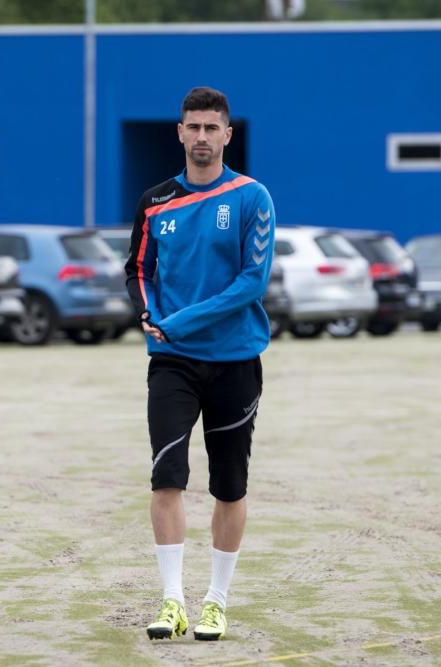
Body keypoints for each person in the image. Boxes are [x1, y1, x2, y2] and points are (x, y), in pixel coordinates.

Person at [124, 86, 276, 642]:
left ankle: (216, 600)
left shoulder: (252, 197)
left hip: (235, 360)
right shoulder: (154, 201)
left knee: (229, 487)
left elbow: (251, 282)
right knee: (167, 477)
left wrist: (180, 320)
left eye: (214, 128)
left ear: (228, 135)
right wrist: (147, 314)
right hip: (171, 362)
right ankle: (171, 601)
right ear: (180, 132)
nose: (203, 137)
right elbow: (137, 269)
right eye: (195, 127)